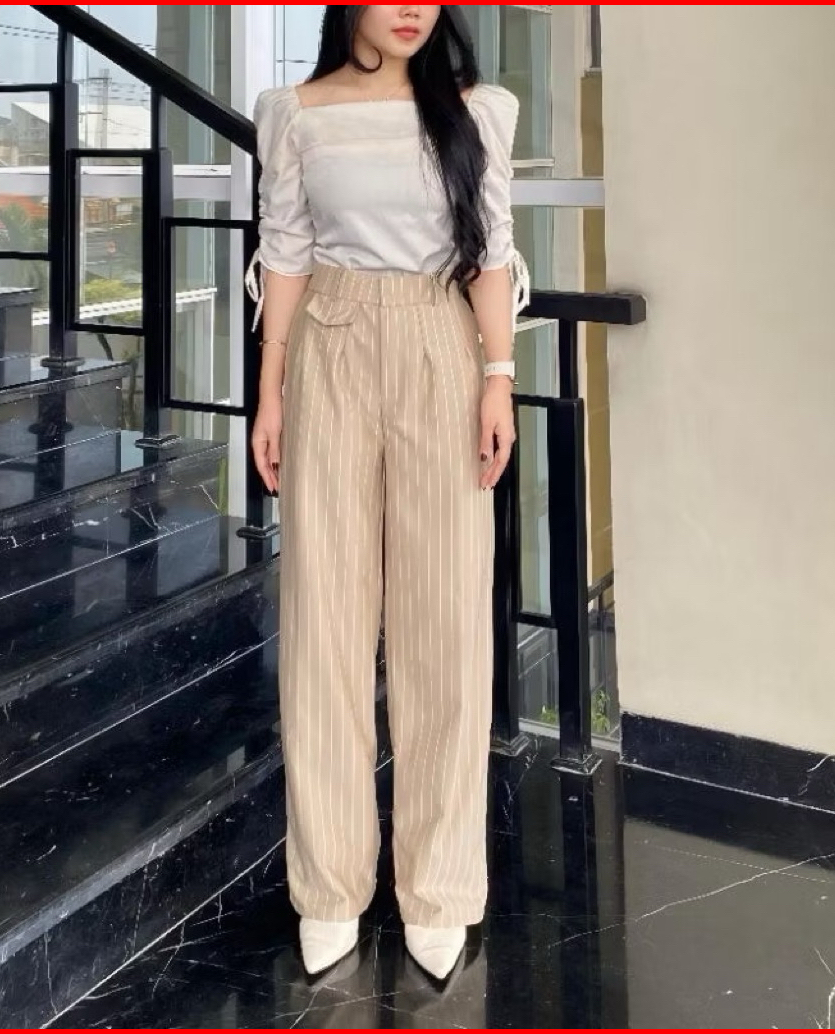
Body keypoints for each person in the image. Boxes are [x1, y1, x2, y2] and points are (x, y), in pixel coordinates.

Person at [246, 4, 526, 981]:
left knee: (444, 622)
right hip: (326, 349)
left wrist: (498, 378)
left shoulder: (475, 112)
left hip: (438, 345)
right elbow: (285, 251)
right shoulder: (294, 111)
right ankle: (328, 885)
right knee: (322, 619)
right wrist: (269, 390)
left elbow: (490, 250)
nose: (412, 9)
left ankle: (438, 886)